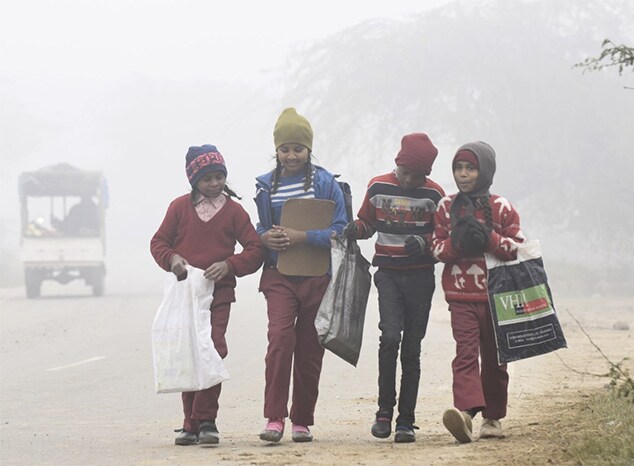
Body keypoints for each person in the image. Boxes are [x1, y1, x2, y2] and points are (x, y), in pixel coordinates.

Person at [151, 144, 265, 446]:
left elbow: (254, 251)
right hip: (186, 294)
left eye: (219, 176)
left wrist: (229, 265)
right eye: (207, 178)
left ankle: (207, 419)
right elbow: (159, 243)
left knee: (212, 349)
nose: (214, 183)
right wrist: (173, 260)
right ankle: (190, 423)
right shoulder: (178, 208)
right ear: (193, 180)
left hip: (219, 293)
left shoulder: (234, 211)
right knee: (189, 351)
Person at [343, 133, 445, 443]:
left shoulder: (435, 195)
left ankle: (406, 420)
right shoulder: (378, 187)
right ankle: (384, 411)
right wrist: (353, 230)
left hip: (420, 278)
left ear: (426, 174)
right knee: (389, 337)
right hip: (387, 273)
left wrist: (424, 244)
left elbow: (442, 239)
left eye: (418, 175)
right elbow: (367, 223)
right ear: (397, 163)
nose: (411, 180)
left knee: (412, 348)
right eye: (406, 173)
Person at [254, 107, 348, 443]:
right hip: (279, 276)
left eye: (298, 148)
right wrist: (266, 237)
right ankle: (274, 418)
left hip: (316, 277)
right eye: (285, 149)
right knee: (280, 342)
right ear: (276, 150)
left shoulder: (325, 184)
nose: (291, 155)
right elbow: (261, 227)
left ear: (309, 149)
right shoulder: (265, 187)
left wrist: (304, 237)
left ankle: (302, 420)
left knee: (310, 349)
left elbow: (341, 230)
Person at [429, 141, 524, 443]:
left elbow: (516, 247)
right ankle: (466, 414)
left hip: (497, 298)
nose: (463, 174)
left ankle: (493, 418)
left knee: (496, 359)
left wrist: (488, 238)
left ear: (484, 172)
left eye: (470, 168)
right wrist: (457, 245)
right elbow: (436, 248)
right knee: (465, 355)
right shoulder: (446, 206)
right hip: (460, 298)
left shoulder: (501, 207)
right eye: (458, 168)